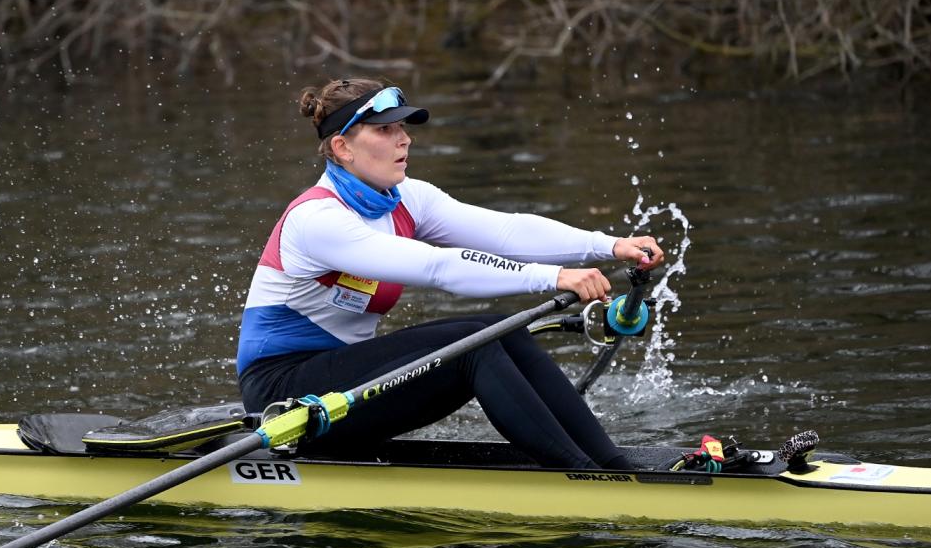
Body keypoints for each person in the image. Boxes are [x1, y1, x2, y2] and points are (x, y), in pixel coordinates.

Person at [235, 77, 665, 470]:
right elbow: (437, 266)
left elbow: (506, 231)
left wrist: (610, 245)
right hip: (285, 398)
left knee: (501, 330)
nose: (404, 138)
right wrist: (553, 278)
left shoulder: (407, 198)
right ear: (343, 147)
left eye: (402, 127)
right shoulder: (317, 220)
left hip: (341, 380)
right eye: (385, 130)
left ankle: (612, 464)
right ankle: (582, 476)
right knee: (474, 349)